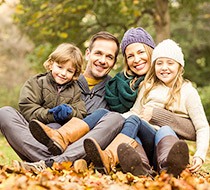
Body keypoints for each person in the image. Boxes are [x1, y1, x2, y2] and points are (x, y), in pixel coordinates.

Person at [0, 31, 124, 171]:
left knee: (116, 118)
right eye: (98, 53)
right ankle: (55, 163)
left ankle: (49, 163)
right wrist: (52, 115)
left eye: (109, 57)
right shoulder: (61, 81)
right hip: (46, 142)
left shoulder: (115, 89)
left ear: (114, 62)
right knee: (4, 113)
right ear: (88, 54)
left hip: (80, 148)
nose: (102, 60)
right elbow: (30, 109)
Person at [85, 39, 209, 177]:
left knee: (165, 129)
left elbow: (202, 127)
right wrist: (112, 118)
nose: (164, 68)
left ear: (180, 66)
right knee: (134, 124)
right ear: (154, 66)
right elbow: (135, 112)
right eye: (159, 63)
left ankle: (168, 167)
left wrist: (200, 155)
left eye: (170, 63)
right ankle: (140, 167)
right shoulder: (148, 86)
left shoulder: (188, 91)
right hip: (148, 140)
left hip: (167, 143)